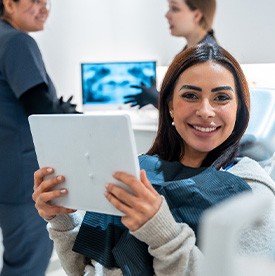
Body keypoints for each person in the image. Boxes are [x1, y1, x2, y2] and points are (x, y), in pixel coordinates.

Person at [32, 44, 275, 276]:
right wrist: (62, 219)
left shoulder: (250, 190)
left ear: (239, 108)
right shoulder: (136, 171)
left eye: (221, 98)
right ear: (169, 105)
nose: (205, 111)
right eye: (190, 95)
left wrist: (163, 233)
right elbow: (85, 268)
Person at [0, 0, 79, 275]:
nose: (45, 9)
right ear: (9, 4)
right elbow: (40, 109)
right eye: (35, 1)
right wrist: (66, 113)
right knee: (26, 265)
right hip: (23, 179)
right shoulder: (17, 42)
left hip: (6, 171)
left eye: (47, 2)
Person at [124, 0, 217, 109]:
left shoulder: (208, 58)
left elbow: (195, 110)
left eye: (175, 9)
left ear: (196, 15)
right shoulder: (187, 53)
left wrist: (158, 99)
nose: (167, 15)